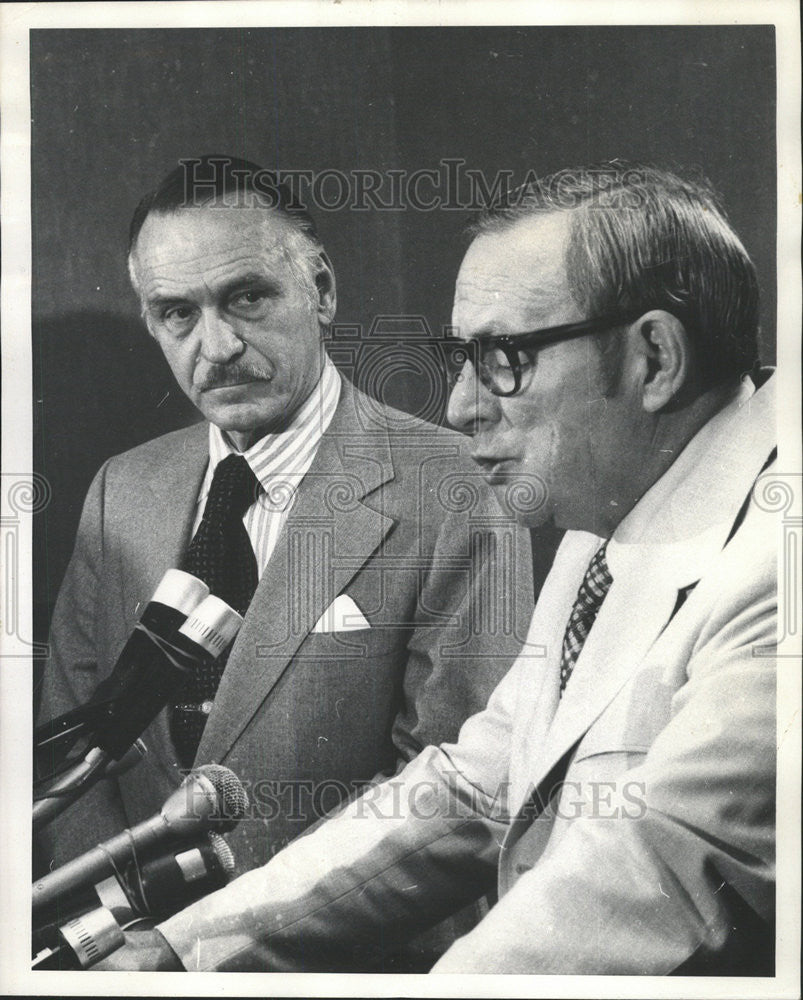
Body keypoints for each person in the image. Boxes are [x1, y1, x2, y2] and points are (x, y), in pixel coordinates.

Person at [101, 161, 778, 975]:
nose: (459, 405)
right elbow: (472, 786)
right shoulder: (602, 521)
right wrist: (185, 951)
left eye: (502, 357)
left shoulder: (778, 573)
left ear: (654, 358)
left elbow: (652, 878)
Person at [36, 155, 534, 932]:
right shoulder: (120, 492)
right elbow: (70, 771)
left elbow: (451, 794)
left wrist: (213, 946)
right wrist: (118, 941)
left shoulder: (455, 488)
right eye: (177, 313)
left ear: (321, 291)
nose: (218, 345)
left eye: (247, 298)